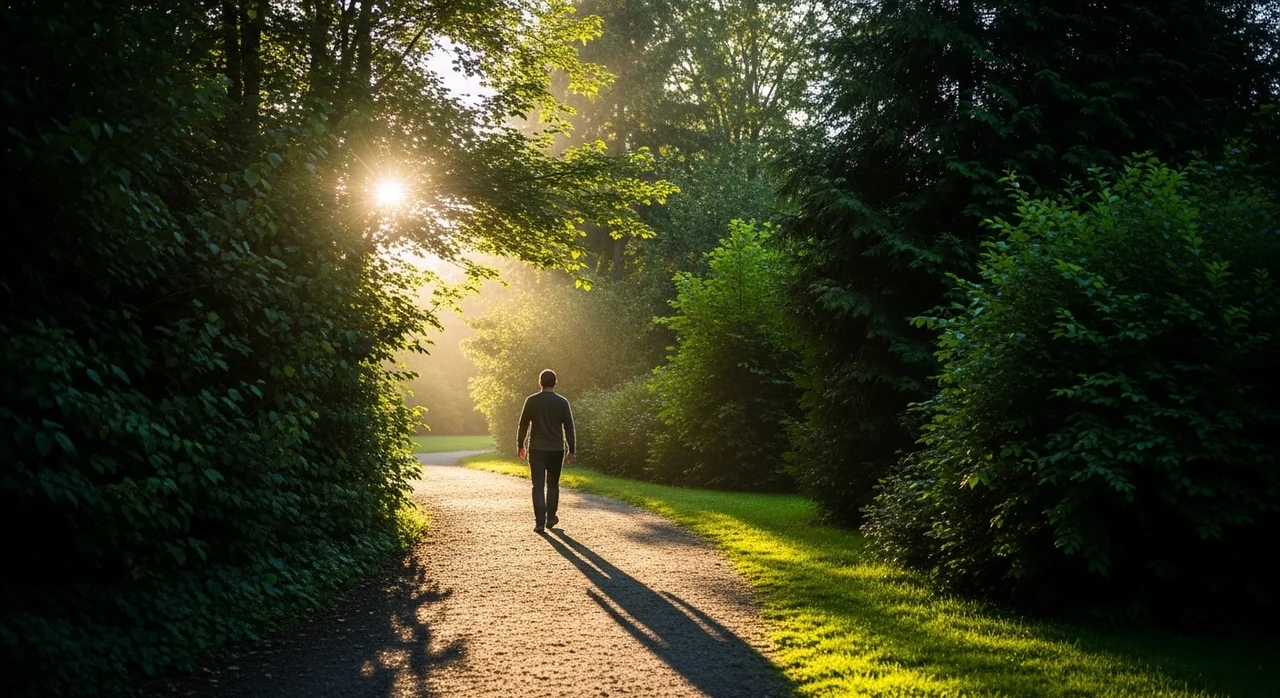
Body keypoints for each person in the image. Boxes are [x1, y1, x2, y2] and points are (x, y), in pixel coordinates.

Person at [516, 369, 576, 533]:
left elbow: (523, 425)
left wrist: (520, 445)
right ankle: (551, 517)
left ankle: (539, 522)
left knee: (538, 486)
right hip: (557, 449)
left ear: (540, 383)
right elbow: (569, 427)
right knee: (553, 485)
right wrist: (572, 450)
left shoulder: (532, 401)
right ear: (555, 383)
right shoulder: (562, 402)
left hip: (536, 449)